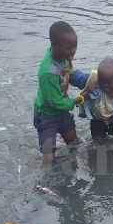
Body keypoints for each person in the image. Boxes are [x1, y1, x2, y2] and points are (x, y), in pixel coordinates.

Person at [33, 21, 84, 166]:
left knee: (74, 142)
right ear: (54, 46)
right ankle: (46, 179)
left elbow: (69, 73)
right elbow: (54, 102)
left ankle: (73, 163)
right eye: (69, 48)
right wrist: (74, 102)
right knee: (49, 154)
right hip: (46, 115)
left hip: (61, 112)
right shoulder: (47, 72)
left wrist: (84, 80)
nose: (73, 51)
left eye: (75, 47)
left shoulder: (63, 57)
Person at [71, 57, 113, 143]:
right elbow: (78, 78)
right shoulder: (93, 84)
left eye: (109, 83)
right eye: (102, 82)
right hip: (98, 121)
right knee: (98, 141)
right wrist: (67, 71)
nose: (105, 86)